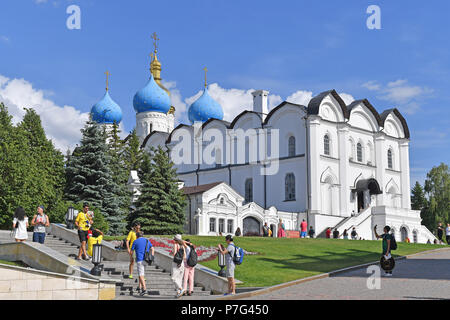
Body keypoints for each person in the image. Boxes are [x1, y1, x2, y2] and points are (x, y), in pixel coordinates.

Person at [131, 232, 153, 296]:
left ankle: (144, 289)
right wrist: (152, 256)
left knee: (141, 275)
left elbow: (132, 251)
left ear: (137, 236)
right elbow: (152, 248)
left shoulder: (135, 241)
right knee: (142, 274)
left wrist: (132, 258)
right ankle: (139, 287)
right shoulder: (147, 240)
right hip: (146, 260)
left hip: (139, 260)